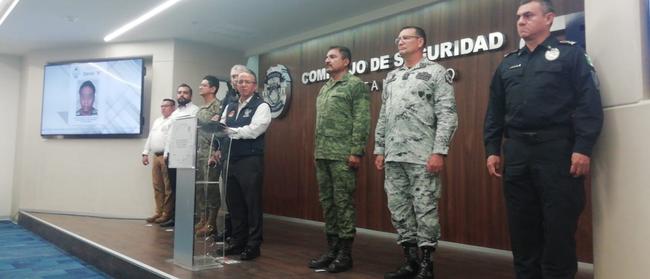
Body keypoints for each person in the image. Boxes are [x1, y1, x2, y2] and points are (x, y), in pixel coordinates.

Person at [483, 1, 603, 278]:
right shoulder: (508, 63)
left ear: (549, 19)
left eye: (528, 15)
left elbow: (588, 103)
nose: (521, 21)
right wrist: (492, 149)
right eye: (518, 17)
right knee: (522, 229)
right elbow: (495, 111)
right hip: (516, 153)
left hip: (557, 150)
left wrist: (583, 147)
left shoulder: (570, 55)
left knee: (559, 228)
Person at [374, 26, 458, 279]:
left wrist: (439, 151)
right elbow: (383, 116)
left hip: (422, 155)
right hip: (393, 156)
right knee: (398, 210)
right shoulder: (391, 77)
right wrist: (379, 148)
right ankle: (410, 262)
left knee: (425, 210)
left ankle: (426, 265)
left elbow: (447, 114)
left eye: (406, 37)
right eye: (398, 38)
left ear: (420, 41)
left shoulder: (435, 72)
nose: (400, 41)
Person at [308, 46, 370, 273]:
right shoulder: (324, 88)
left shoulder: (354, 85)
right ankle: (332, 250)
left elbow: (362, 120)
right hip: (323, 154)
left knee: (343, 203)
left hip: (343, 155)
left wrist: (356, 151)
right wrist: (317, 152)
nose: (327, 60)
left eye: (332, 57)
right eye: (326, 57)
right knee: (328, 203)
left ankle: (345, 254)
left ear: (346, 61)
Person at [219, 68, 271, 261]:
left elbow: (254, 130)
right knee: (235, 204)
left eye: (246, 82)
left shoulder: (262, 106)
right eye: (239, 82)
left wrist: (231, 131)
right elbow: (221, 127)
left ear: (254, 85)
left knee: (252, 204)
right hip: (230, 159)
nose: (242, 85)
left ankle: (253, 245)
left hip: (250, 161)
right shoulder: (230, 105)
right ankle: (237, 241)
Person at [160, 83, 200, 228]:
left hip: (186, 156)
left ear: (190, 95)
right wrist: (166, 152)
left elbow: (195, 134)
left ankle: (188, 219)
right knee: (175, 188)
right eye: (179, 92)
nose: (181, 95)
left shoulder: (196, 111)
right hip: (172, 156)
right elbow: (169, 135)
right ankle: (176, 218)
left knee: (186, 189)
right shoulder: (175, 113)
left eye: (185, 92)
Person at [215, 64, 248, 242]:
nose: (234, 80)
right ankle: (230, 230)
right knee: (229, 195)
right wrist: (217, 149)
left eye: (238, 76)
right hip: (226, 150)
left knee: (241, 196)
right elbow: (221, 126)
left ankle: (241, 232)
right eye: (232, 77)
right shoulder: (228, 97)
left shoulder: (251, 99)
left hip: (242, 153)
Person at [194, 75, 223, 238]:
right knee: (200, 188)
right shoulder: (200, 108)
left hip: (211, 153)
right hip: (199, 153)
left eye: (204, 85)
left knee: (210, 187)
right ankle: (203, 219)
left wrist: (217, 151)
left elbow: (220, 131)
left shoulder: (217, 106)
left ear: (213, 89)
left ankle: (212, 222)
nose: (200, 87)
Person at [141, 98, 176, 224]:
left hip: (166, 157)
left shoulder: (173, 120)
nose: (163, 108)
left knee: (168, 187)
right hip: (156, 156)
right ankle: (158, 212)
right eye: (162, 106)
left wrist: (166, 154)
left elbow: (170, 140)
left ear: (173, 107)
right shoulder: (157, 121)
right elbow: (151, 137)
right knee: (157, 185)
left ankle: (167, 213)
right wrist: (145, 153)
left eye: (166, 106)